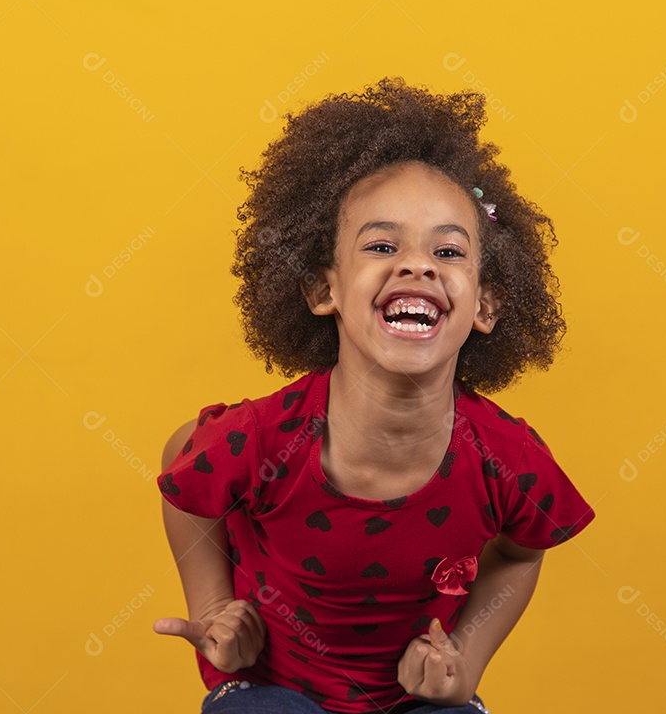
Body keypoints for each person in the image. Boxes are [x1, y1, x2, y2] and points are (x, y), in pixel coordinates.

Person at [153, 77, 595, 714]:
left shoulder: (507, 459)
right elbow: (183, 467)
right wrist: (215, 608)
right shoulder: (264, 439)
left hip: (414, 701)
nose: (417, 266)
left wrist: (464, 661)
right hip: (271, 689)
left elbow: (522, 552)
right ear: (322, 289)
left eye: (447, 249)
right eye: (383, 246)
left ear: (486, 304)